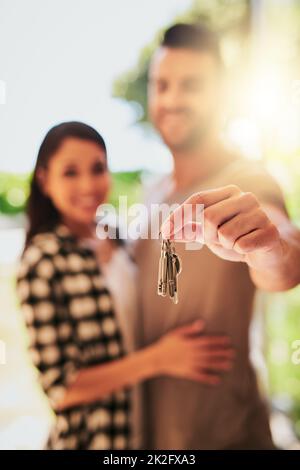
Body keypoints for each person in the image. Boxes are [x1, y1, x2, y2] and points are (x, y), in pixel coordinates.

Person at [16, 121, 235, 450]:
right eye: (70, 172)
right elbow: (61, 389)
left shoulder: (118, 238)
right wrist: (159, 359)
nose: (88, 184)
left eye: (97, 168)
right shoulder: (41, 262)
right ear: (45, 180)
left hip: (144, 434)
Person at [134, 23, 300, 449]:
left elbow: (285, 257)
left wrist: (267, 246)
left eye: (191, 86)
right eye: (162, 85)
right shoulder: (151, 194)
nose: (171, 99)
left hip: (228, 436)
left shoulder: (246, 179)